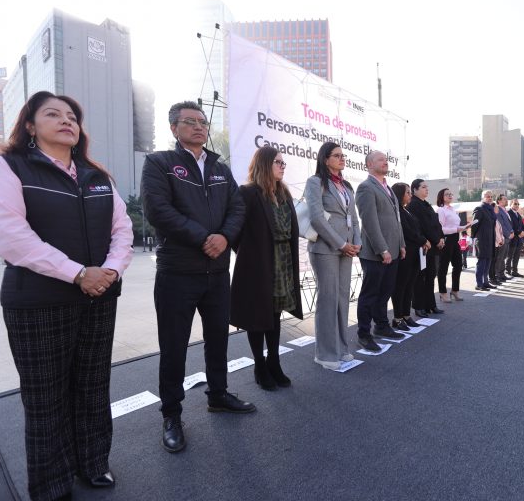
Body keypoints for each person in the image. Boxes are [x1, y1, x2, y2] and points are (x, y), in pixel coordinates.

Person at [0, 91, 133, 500]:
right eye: (52, 114)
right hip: (38, 302)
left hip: (99, 298)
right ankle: (51, 484)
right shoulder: (8, 168)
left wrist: (111, 271)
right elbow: (11, 238)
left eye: (72, 116)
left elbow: (123, 230)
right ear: (30, 125)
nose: (66, 121)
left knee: (93, 387)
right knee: (46, 398)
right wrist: (78, 273)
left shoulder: (98, 177)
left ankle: (94, 463)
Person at [142, 101, 252, 455]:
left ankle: (218, 395)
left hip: (218, 272)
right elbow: (158, 210)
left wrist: (224, 237)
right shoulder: (160, 163)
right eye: (189, 122)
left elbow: (238, 207)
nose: (198, 127)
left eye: (202, 122)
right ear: (174, 128)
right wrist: (202, 237)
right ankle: (171, 415)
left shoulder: (220, 167)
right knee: (174, 347)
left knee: (218, 337)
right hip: (178, 271)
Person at [230, 146, 303, 387]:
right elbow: (235, 230)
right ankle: (259, 364)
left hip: (283, 261)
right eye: (278, 162)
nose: (282, 166)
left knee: (274, 314)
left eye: (283, 163)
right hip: (258, 264)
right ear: (264, 164)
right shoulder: (248, 193)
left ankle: (274, 361)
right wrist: (250, 254)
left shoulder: (284, 193)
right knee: (257, 316)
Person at [304, 142, 361, 371]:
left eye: (343, 155)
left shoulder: (346, 186)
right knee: (328, 300)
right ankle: (325, 353)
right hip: (325, 249)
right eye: (336, 155)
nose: (342, 158)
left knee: (341, 299)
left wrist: (356, 243)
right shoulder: (315, 182)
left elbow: (354, 219)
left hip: (347, 249)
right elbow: (316, 218)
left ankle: (342, 348)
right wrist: (341, 244)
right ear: (325, 159)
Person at [355, 150, 407, 351]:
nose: (385, 162)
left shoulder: (388, 188)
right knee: (370, 295)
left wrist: (401, 244)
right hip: (375, 253)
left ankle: (382, 326)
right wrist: (382, 249)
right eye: (380, 160)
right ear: (369, 164)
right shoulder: (366, 188)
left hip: (393, 251)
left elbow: (397, 219)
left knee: (385, 292)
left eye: (386, 159)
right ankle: (364, 334)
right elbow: (369, 222)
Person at [392, 182, 430, 330]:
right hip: (405, 253)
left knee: (409, 285)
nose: (409, 195)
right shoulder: (398, 212)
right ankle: (397, 317)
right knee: (400, 286)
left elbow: (417, 228)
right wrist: (423, 240)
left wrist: (422, 241)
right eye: (407, 192)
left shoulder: (406, 210)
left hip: (415, 253)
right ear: (400, 194)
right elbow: (407, 231)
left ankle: (406, 315)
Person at [408, 179, 445, 317]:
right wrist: (435, 240)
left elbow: (436, 223)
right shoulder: (413, 205)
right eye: (423, 187)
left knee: (430, 277)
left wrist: (441, 237)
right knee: (420, 278)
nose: (426, 189)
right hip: (422, 247)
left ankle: (431, 305)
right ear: (414, 190)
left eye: (427, 187)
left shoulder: (426, 205)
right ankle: (419, 306)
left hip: (433, 247)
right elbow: (421, 226)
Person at [436, 188, 468, 303]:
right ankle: (443, 292)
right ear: (442, 197)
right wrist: (456, 229)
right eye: (447, 194)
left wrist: (463, 228)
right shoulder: (441, 210)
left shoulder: (453, 209)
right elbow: (441, 229)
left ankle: (455, 290)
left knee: (458, 265)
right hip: (446, 239)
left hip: (455, 239)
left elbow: (455, 226)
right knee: (443, 267)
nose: (450, 195)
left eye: (451, 194)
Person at [471, 190, 497, 291]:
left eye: (491, 196)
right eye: (487, 196)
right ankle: (479, 284)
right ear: (482, 198)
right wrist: (475, 237)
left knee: (488, 262)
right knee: (481, 262)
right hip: (481, 240)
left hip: (490, 239)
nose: (490, 198)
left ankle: (485, 282)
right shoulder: (479, 208)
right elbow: (474, 224)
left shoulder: (491, 209)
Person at [492, 194, 514, 283]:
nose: (507, 200)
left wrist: (512, 231)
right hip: (503, 237)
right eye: (505, 199)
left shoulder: (505, 210)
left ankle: (502, 274)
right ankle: (498, 275)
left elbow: (508, 224)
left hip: (507, 237)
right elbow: (501, 224)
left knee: (503, 256)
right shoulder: (498, 210)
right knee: (500, 257)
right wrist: (508, 234)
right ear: (499, 201)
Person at [506, 199, 524, 277]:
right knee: (510, 256)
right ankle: (508, 271)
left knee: (516, 256)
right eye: (515, 204)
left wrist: (523, 232)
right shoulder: (508, 213)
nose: (517, 205)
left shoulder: (518, 214)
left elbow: (522, 225)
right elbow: (510, 225)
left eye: (518, 204)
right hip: (512, 239)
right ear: (511, 205)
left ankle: (515, 271)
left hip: (519, 239)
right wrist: (519, 232)